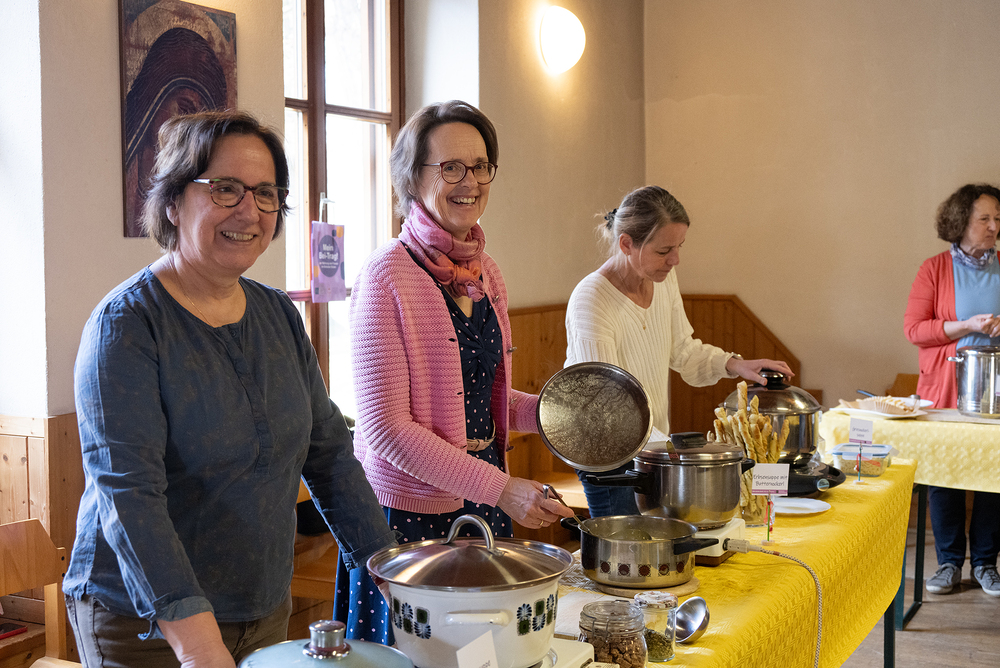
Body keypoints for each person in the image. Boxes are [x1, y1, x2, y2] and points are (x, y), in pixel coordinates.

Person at [64, 110, 398, 668]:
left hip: (261, 607)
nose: (250, 210)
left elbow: (330, 456)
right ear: (174, 202)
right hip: (147, 624)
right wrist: (197, 645)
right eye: (225, 189)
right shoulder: (126, 324)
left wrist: (392, 572)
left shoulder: (278, 314)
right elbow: (130, 496)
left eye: (266, 193)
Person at [336, 100, 575, 643]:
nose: (470, 181)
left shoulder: (485, 271)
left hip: (486, 498)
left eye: (480, 166)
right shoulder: (385, 275)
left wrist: (557, 414)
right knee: (424, 653)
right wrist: (502, 488)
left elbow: (483, 399)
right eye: (450, 167)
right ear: (411, 176)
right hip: (409, 515)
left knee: (488, 648)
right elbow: (386, 431)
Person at [565, 186, 794, 517]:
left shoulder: (662, 279)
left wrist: (735, 364)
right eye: (664, 250)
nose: (675, 260)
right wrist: (675, 452)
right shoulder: (592, 299)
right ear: (626, 244)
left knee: (660, 536)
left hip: (652, 444)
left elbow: (683, 351)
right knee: (628, 544)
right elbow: (607, 404)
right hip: (607, 453)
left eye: (679, 247)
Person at [904, 182, 1000, 597]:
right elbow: (914, 329)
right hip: (944, 388)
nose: (993, 227)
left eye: (997, 219)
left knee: (993, 473)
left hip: (995, 390)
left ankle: (985, 564)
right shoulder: (934, 269)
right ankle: (948, 563)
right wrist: (966, 326)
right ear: (961, 222)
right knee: (945, 475)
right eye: (984, 219)